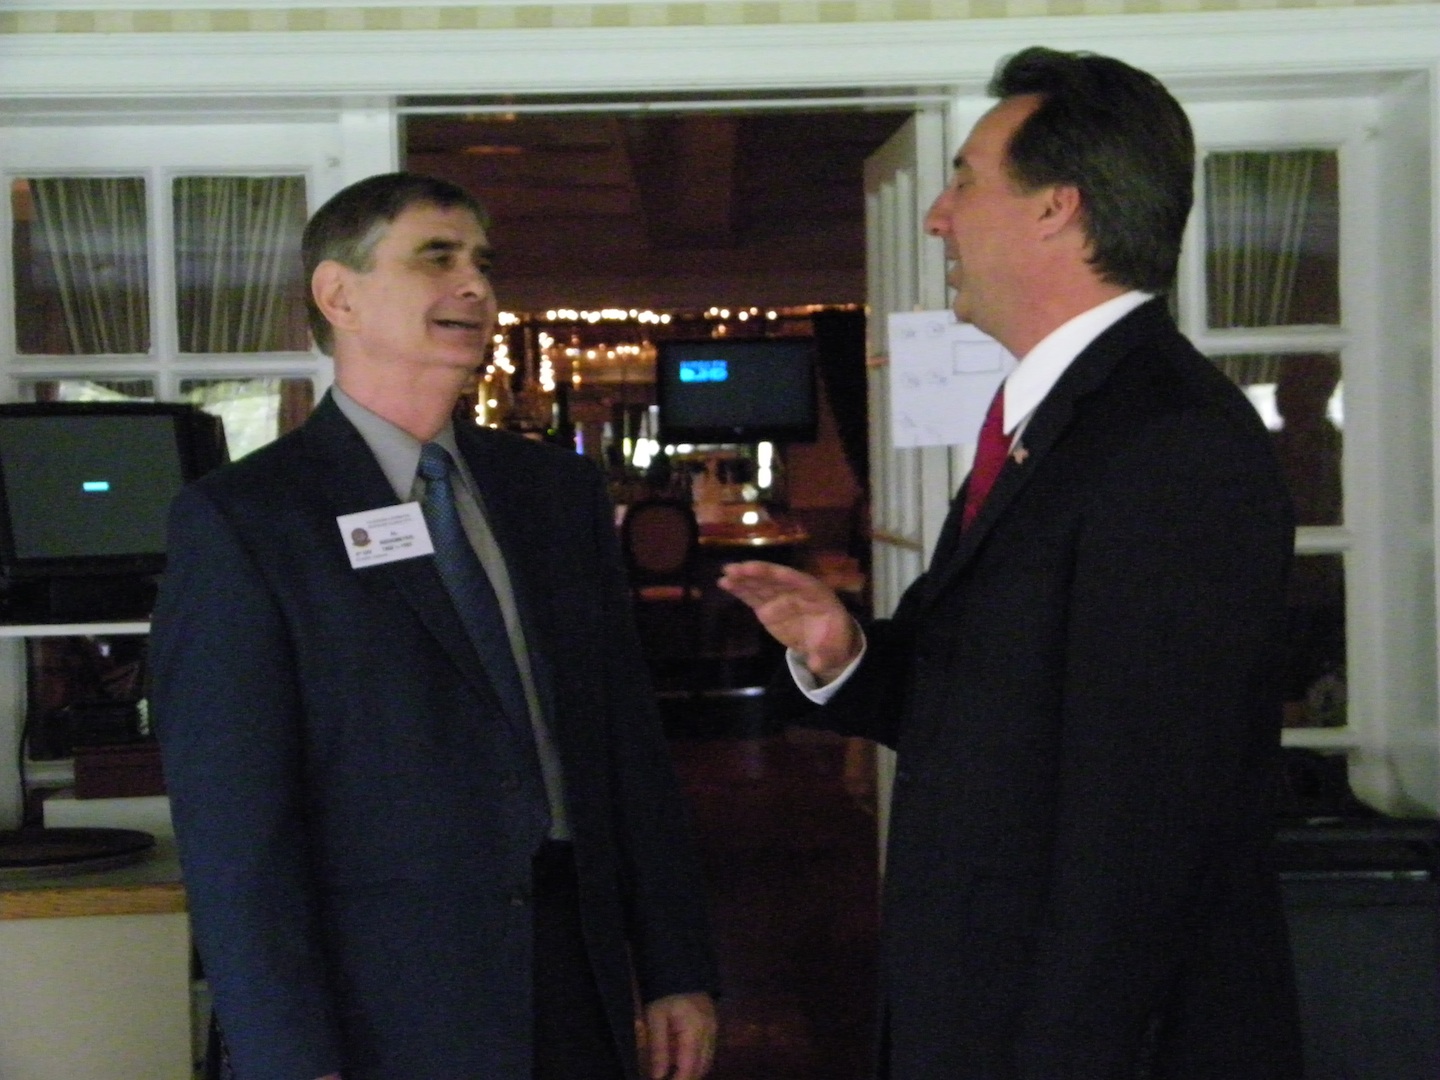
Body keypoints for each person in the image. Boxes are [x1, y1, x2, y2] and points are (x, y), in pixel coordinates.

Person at [721, 47, 1304, 1079]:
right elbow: (1006, 709)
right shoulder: (1064, 419)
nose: (938, 216)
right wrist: (844, 648)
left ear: (1057, 210)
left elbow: (1141, 828)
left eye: (966, 180)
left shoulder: (1170, 441)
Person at [151, 172, 718, 1080]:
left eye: (484, 265)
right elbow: (235, 836)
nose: (478, 287)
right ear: (338, 295)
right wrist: (287, 1057)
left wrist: (677, 966)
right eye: (437, 258)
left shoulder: (556, 494)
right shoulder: (246, 521)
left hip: (579, 981)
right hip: (382, 1007)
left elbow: (627, 750)